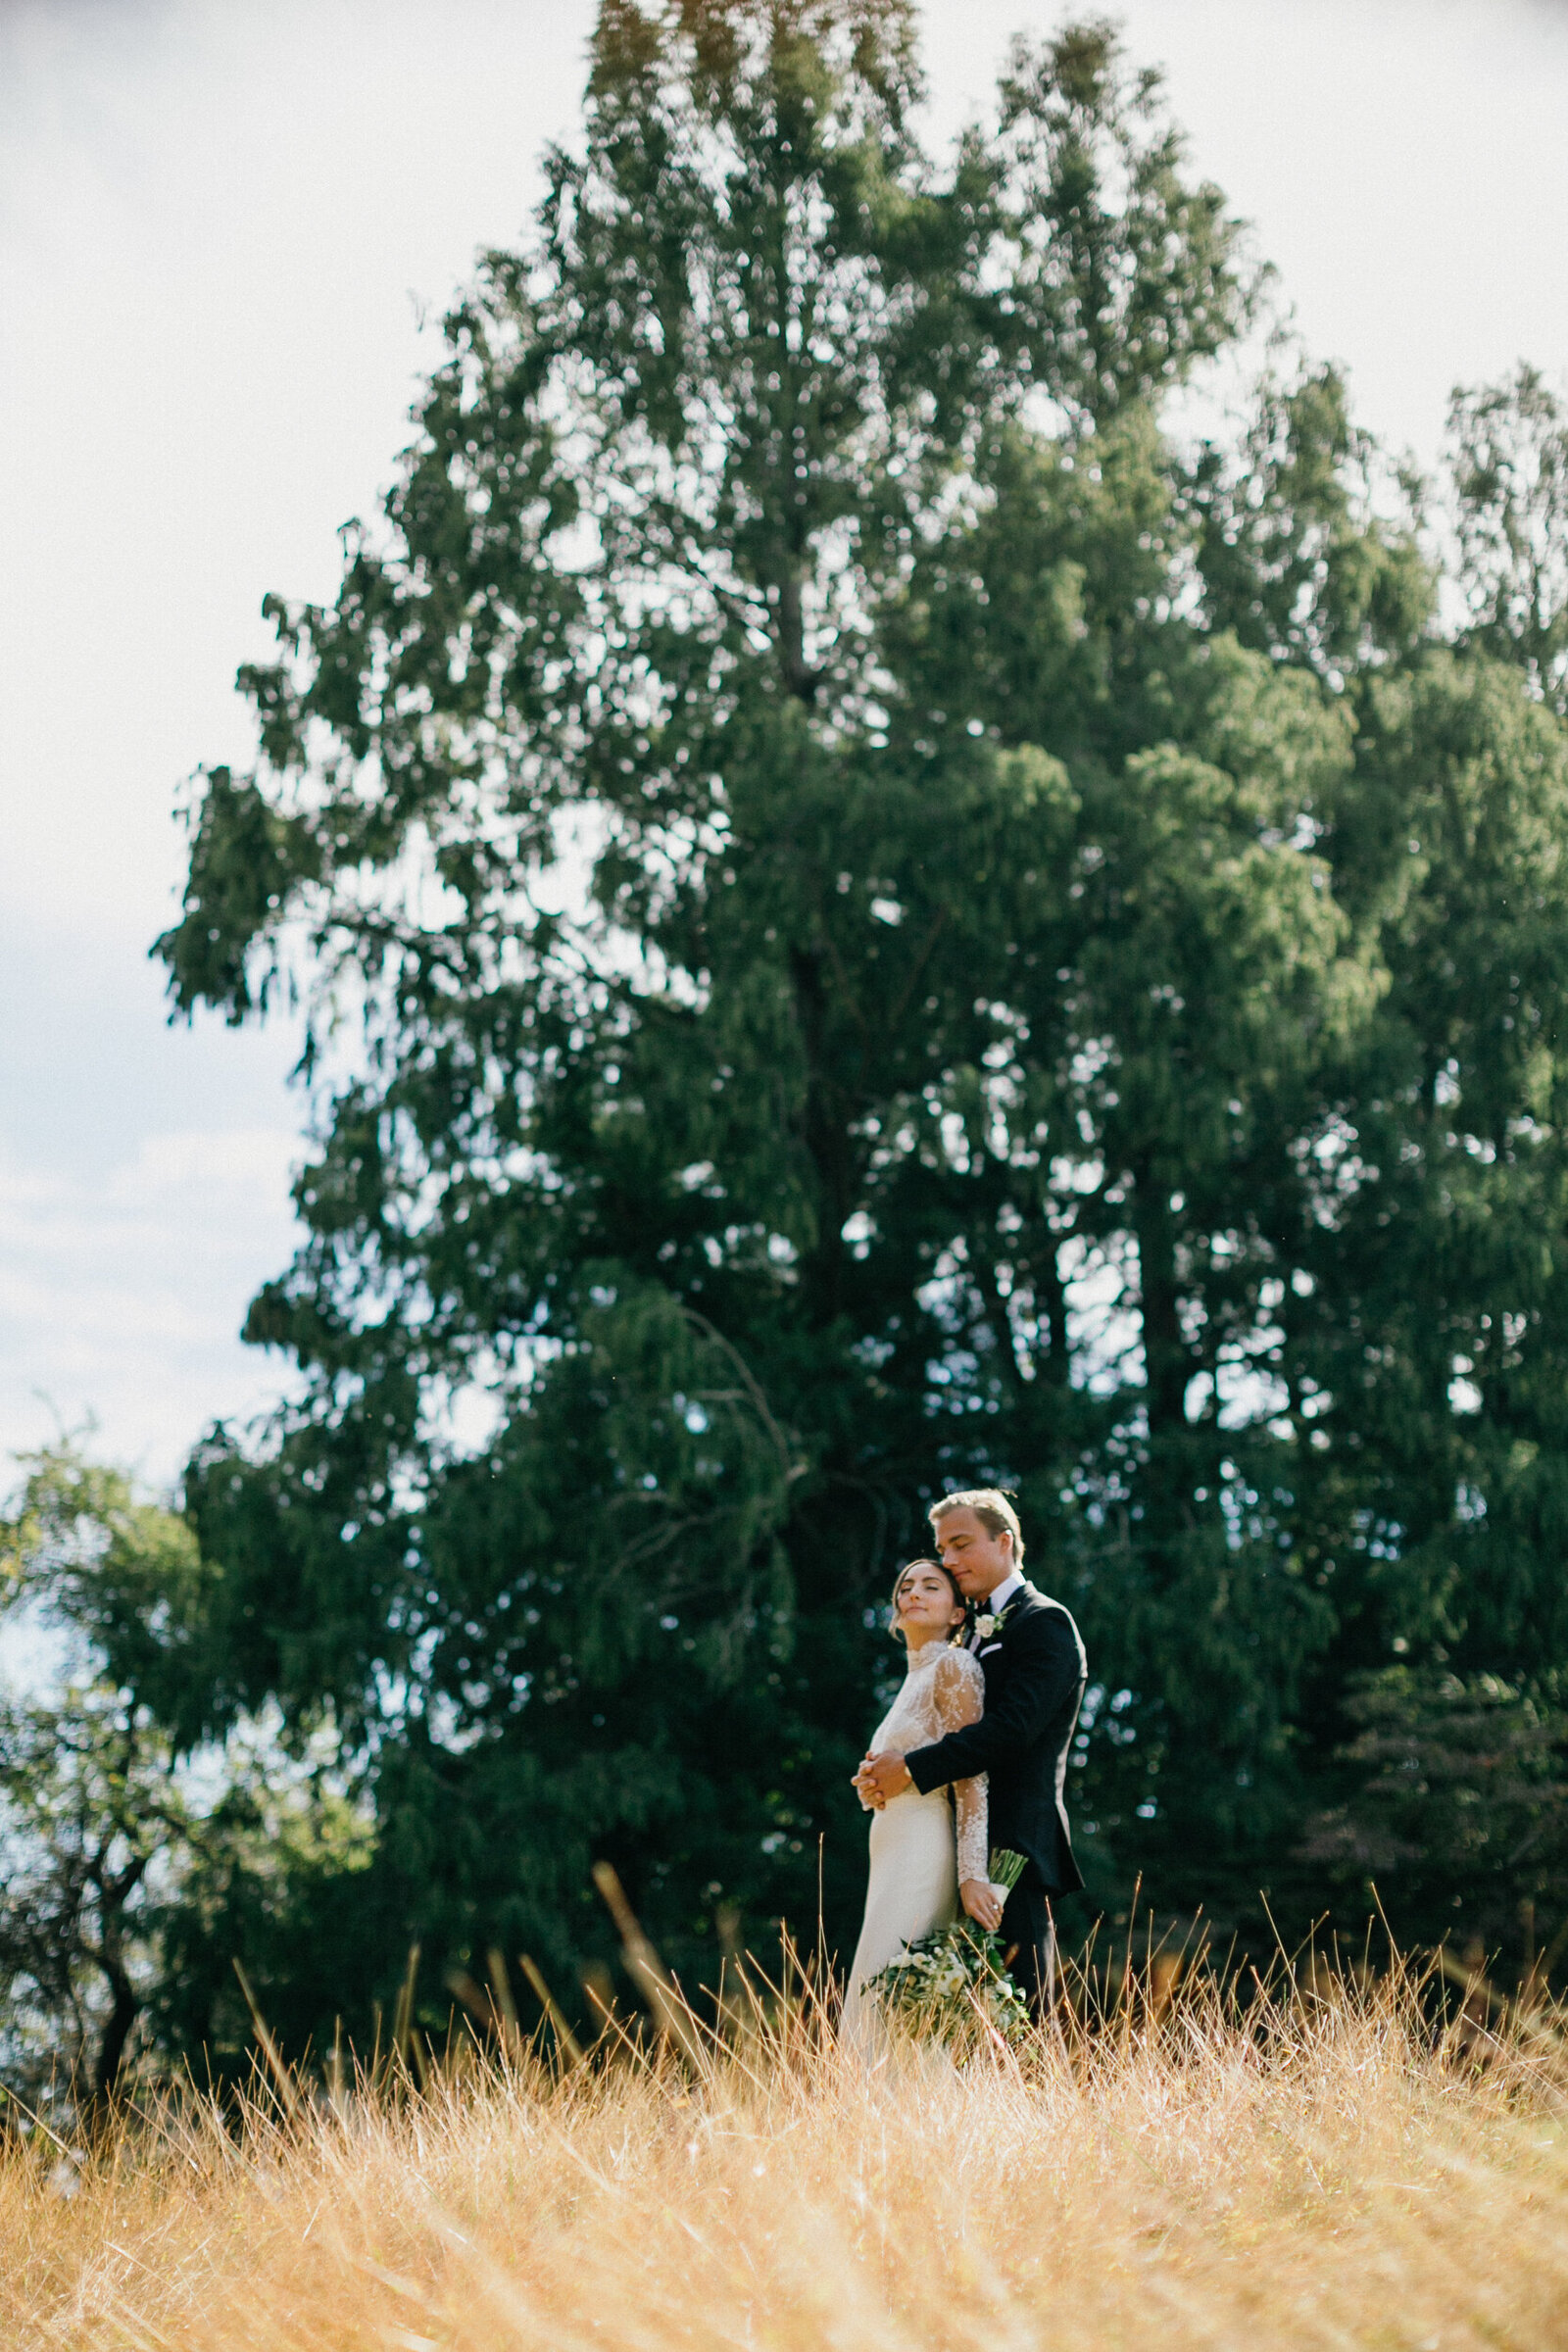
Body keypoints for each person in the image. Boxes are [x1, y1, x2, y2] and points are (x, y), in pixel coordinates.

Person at [856, 1490, 1086, 2023]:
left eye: (960, 1545)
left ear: (1004, 1542)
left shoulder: (1044, 1623)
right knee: (964, 2027)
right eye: (942, 1547)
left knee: (1025, 2018)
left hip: (1013, 1846)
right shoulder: (965, 1635)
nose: (950, 1560)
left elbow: (1013, 1731)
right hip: (954, 1847)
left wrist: (911, 1770)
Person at [838, 1558, 999, 2048]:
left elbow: (971, 1773)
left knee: (890, 1990)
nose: (914, 1592)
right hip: (890, 1849)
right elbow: (910, 1766)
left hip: (923, 1851)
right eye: (905, 1586)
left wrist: (973, 1873)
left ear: (956, 1615)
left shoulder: (954, 1666)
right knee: (879, 1985)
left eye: (932, 1586)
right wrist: (872, 1785)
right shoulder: (911, 1678)